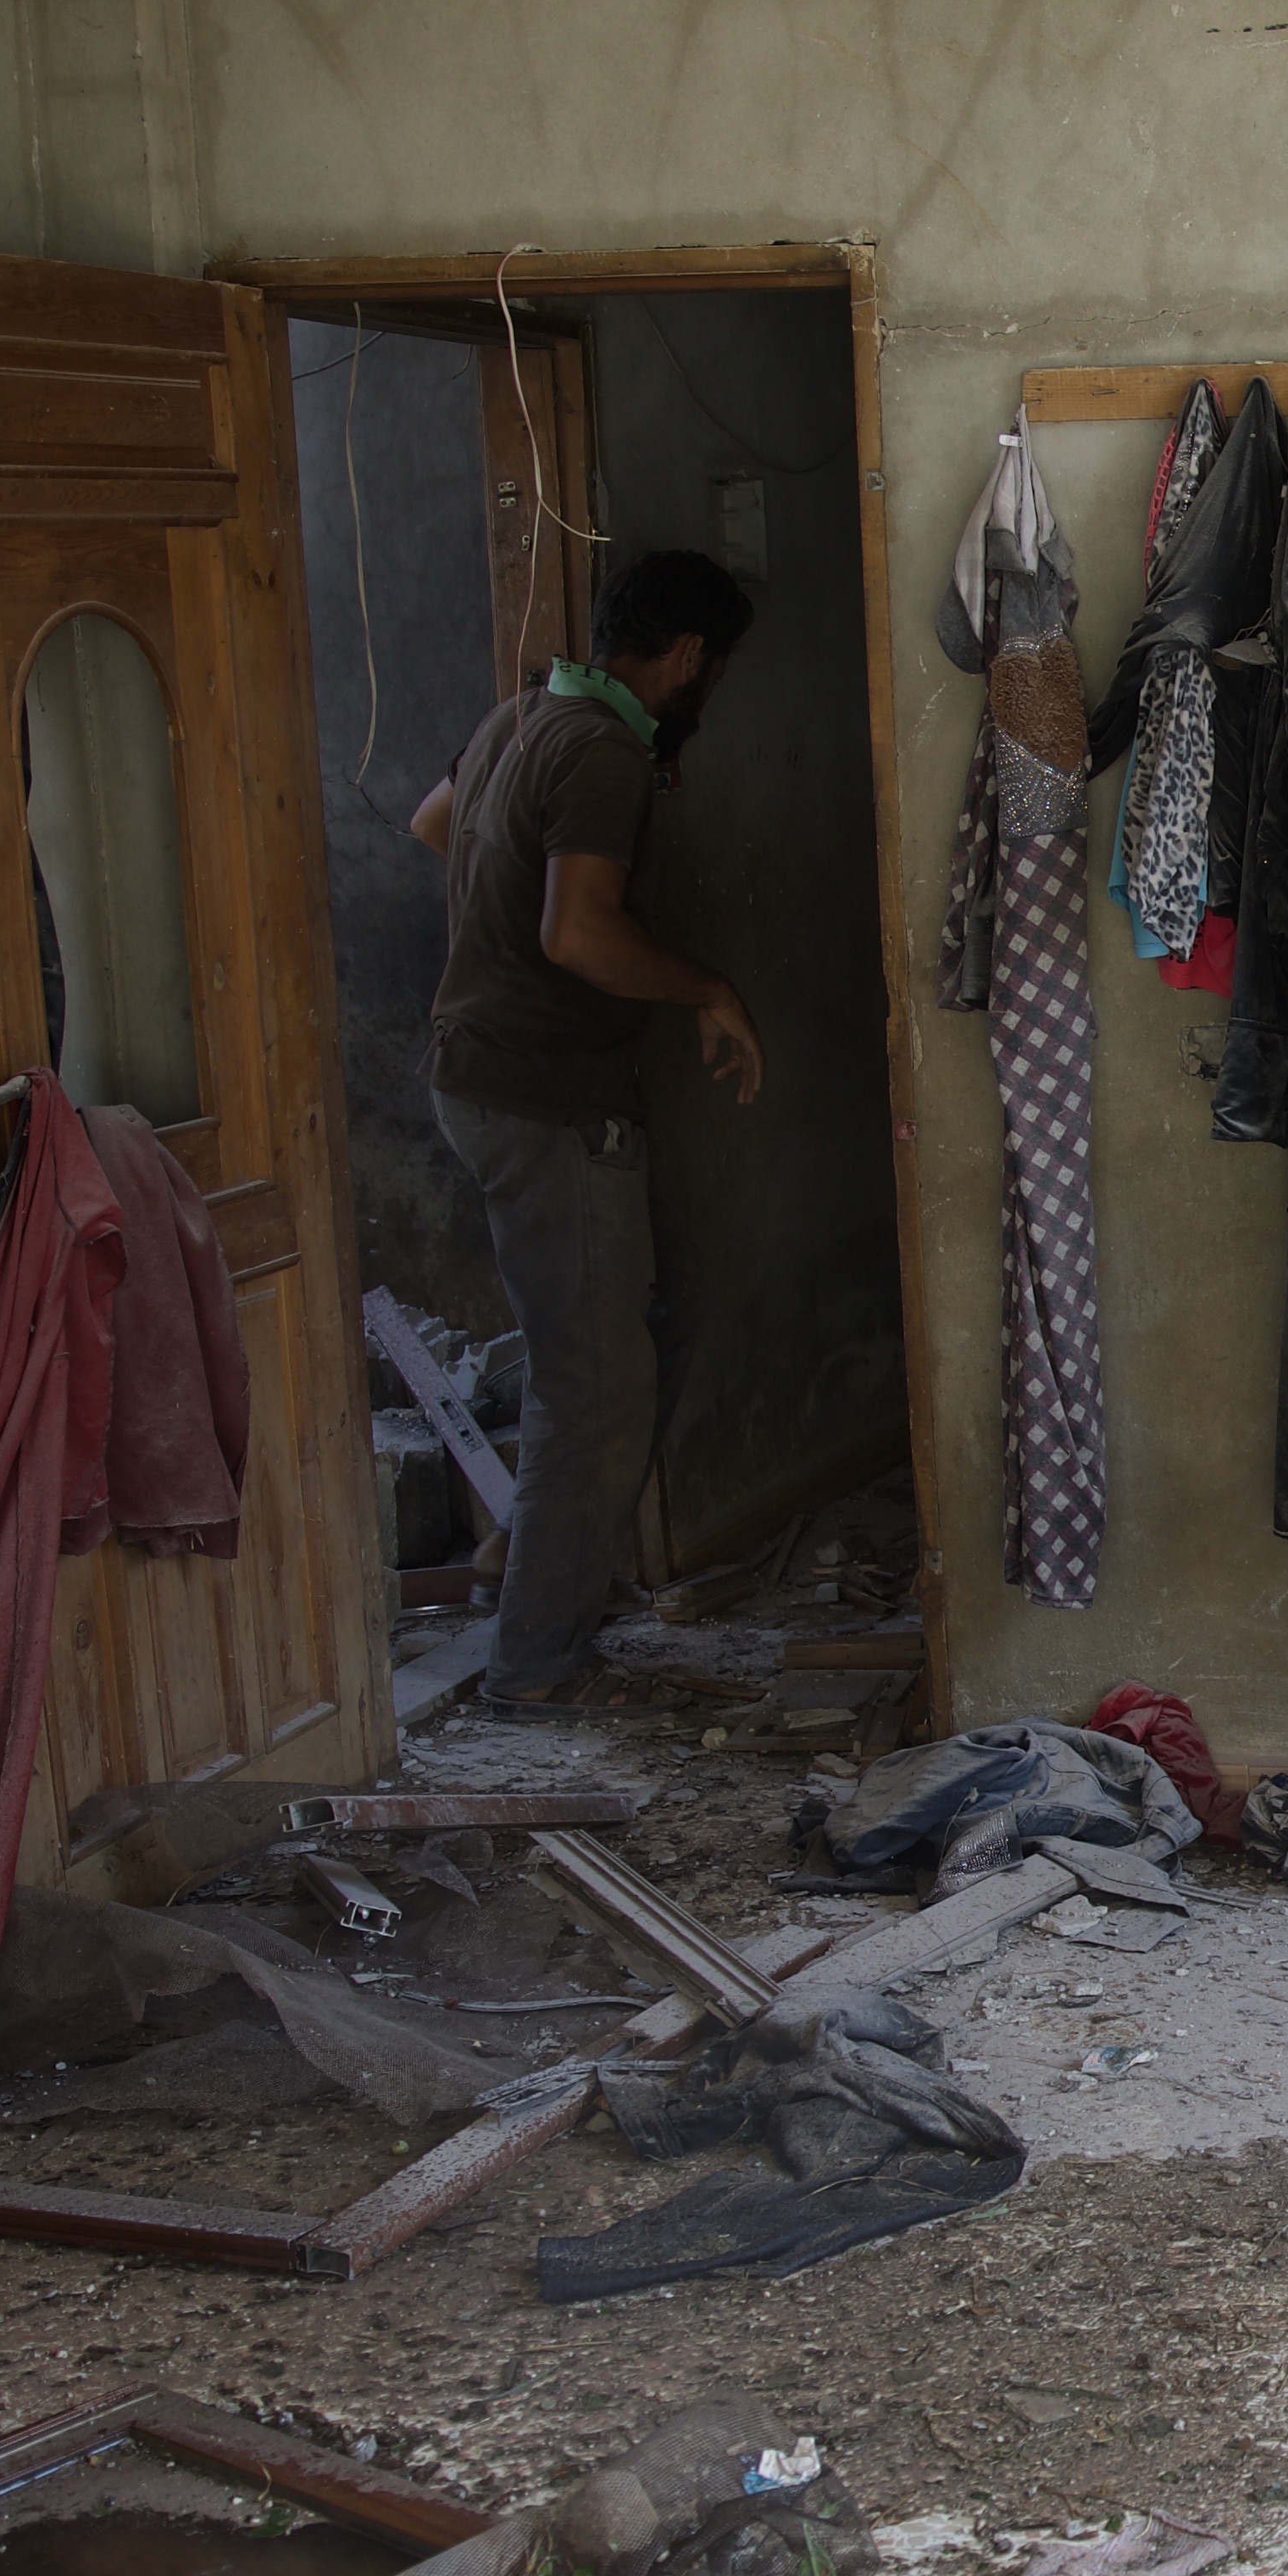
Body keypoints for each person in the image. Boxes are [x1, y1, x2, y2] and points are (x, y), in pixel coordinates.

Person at [410, 547, 763, 1707]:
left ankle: (523, 1557)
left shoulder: (521, 716)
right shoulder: (603, 751)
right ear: (688, 655)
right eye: (714, 672)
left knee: (656, 1313)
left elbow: (434, 824)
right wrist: (708, 987)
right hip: (544, 1099)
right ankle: (537, 1666)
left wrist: (507, 895)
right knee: (594, 1385)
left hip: (482, 1077)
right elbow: (579, 937)